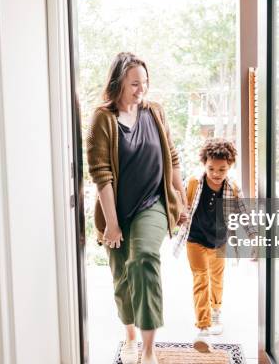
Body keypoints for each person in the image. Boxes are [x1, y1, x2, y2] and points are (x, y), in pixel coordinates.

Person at [86, 52, 188, 364]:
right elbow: (101, 174)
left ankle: (148, 350)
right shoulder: (103, 119)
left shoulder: (154, 112)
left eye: (144, 82)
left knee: (143, 257)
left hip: (153, 204)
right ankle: (129, 334)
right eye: (134, 83)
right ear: (117, 83)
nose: (141, 89)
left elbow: (172, 159)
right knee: (122, 277)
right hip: (116, 209)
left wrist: (180, 202)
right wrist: (112, 225)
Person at [172, 138, 257, 353]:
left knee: (217, 279)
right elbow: (181, 205)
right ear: (204, 164)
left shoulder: (233, 188)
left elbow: (244, 213)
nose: (216, 173)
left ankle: (216, 310)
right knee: (201, 279)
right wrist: (177, 216)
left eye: (222, 169)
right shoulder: (193, 183)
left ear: (229, 167)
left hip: (220, 241)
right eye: (211, 168)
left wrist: (254, 236)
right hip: (195, 239)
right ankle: (203, 325)